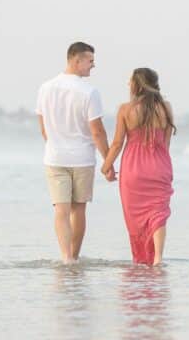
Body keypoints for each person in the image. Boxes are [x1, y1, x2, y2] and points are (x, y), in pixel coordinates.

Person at [36, 42, 112, 263]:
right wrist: (108, 161)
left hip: (54, 157)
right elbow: (97, 131)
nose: (93, 65)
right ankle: (75, 257)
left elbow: (43, 128)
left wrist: (56, 145)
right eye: (90, 61)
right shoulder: (89, 92)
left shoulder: (45, 87)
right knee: (78, 209)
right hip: (82, 159)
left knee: (60, 209)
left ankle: (66, 257)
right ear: (76, 61)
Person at [101, 68, 176, 266]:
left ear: (137, 84)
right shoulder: (166, 108)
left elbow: (117, 143)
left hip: (133, 170)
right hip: (160, 166)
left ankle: (142, 259)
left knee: (135, 219)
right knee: (158, 213)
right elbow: (166, 144)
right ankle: (158, 258)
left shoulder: (126, 109)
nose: (128, 84)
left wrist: (106, 166)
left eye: (130, 81)